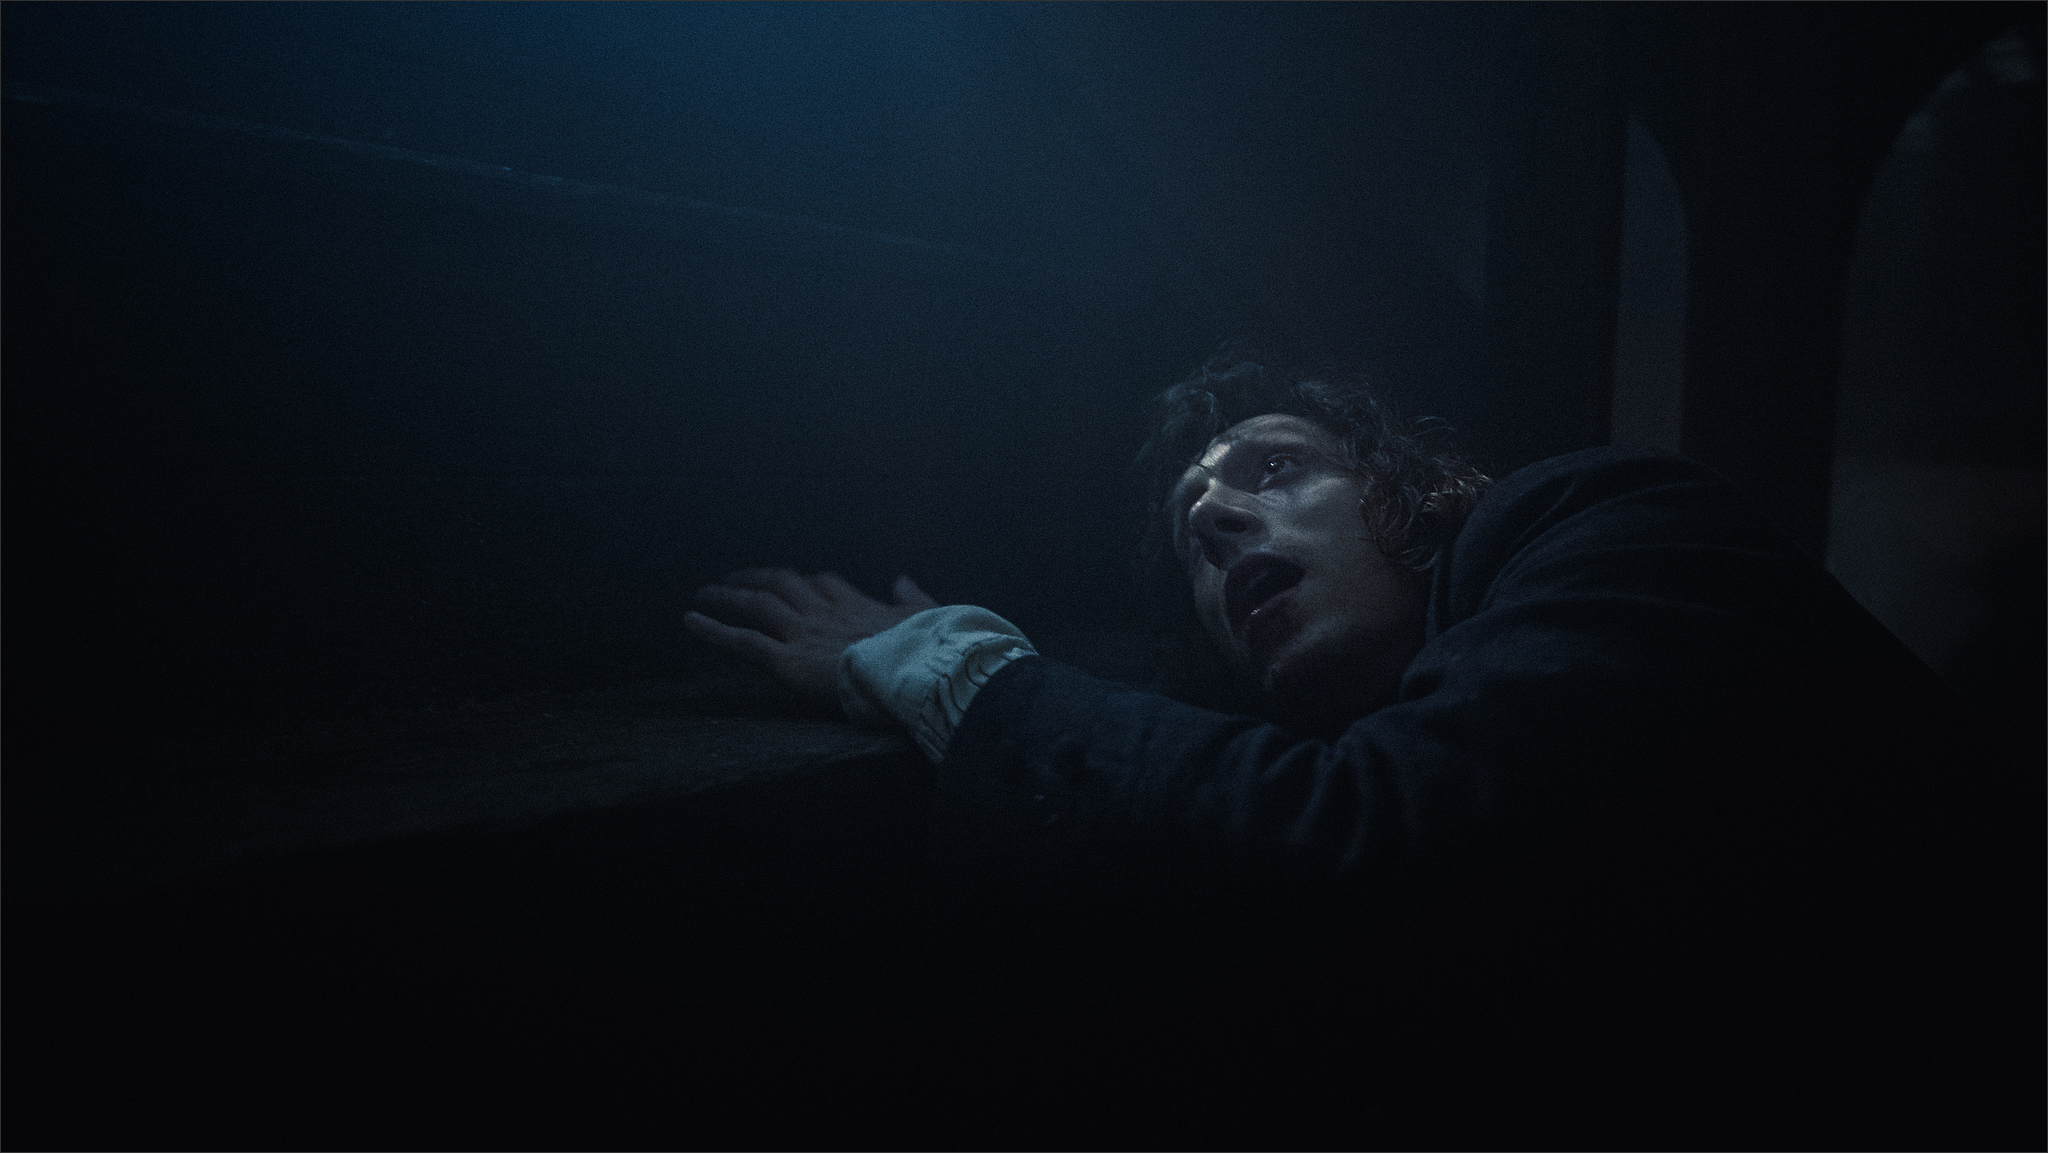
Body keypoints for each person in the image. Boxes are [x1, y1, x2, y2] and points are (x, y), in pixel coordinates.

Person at [685, 351, 2036, 1148]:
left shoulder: (1600, 516)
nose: (1216, 520)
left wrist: (956, 666)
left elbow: (1378, 850)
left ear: (1412, 488)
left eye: (1273, 469)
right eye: (1193, 527)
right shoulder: (1347, 712)